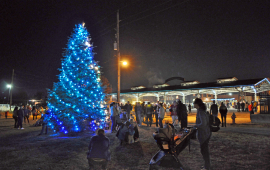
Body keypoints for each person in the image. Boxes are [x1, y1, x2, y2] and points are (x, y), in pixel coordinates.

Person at [193, 98, 212, 170]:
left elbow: (203, 124)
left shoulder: (200, 112)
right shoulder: (201, 110)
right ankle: (207, 165)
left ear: (197, 104)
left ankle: (207, 167)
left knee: (204, 151)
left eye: (194, 103)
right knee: (204, 150)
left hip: (204, 133)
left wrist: (196, 126)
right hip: (206, 133)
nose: (193, 104)